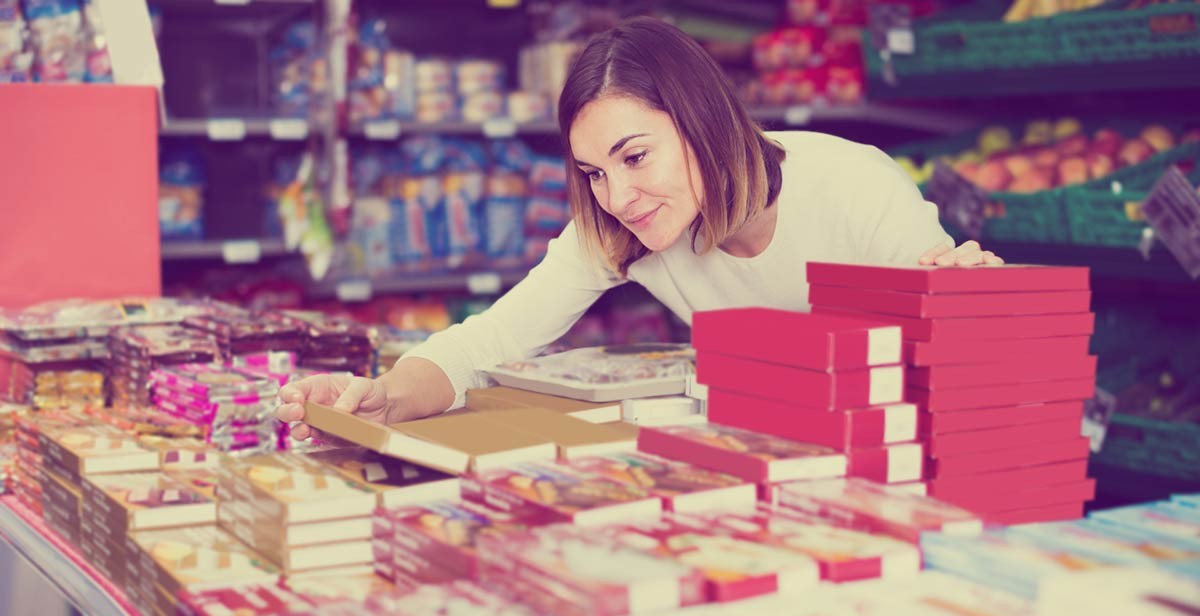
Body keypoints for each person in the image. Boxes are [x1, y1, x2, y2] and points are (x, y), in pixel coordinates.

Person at [275, 16, 1002, 438]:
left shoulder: (853, 183)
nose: (617, 194)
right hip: (767, 461)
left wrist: (971, 299)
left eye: (634, 155)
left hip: (891, 458)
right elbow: (487, 340)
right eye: (593, 171)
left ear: (702, 119)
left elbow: (966, 360)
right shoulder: (627, 229)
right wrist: (383, 395)